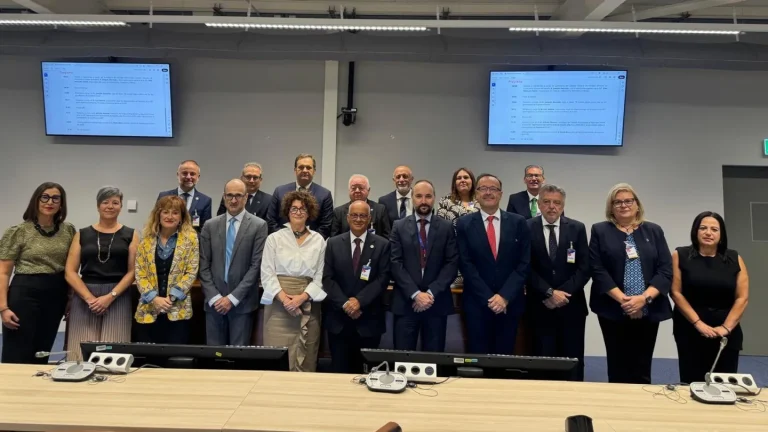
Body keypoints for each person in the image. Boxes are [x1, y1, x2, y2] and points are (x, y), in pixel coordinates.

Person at [589, 183, 672, 384]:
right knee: (617, 365)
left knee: (642, 365)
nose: (623, 205)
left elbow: (665, 269)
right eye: (617, 202)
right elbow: (597, 269)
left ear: (637, 205)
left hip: (648, 307)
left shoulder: (654, 231)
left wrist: (643, 299)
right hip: (612, 308)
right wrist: (625, 301)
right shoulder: (600, 230)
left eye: (628, 201)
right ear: (611, 207)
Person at [0, 182, 76, 364]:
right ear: (36, 200)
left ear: (61, 204)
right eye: (45, 197)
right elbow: (3, 272)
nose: (50, 202)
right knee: (18, 348)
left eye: (55, 198)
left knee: (43, 350)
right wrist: (3, 308)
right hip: (25, 293)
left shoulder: (68, 231)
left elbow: (71, 268)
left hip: (56, 294)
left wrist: (70, 297)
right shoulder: (18, 231)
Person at [671, 212, 749, 384]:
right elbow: (676, 293)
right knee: (692, 383)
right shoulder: (680, 255)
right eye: (703, 228)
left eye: (714, 229)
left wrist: (725, 328)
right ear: (695, 231)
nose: (708, 233)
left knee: (725, 384)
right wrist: (698, 324)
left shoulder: (734, 258)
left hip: (726, 331)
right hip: (690, 328)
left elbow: (742, 298)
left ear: (721, 235)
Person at [456, 174, 530, 354]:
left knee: (505, 356)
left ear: (501, 194)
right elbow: (465, 264)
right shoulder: (464, 224)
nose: (488, 193)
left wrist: (504, 296)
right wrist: (489, 298)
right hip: (477, 303)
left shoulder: (518, 222)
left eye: (493, 189)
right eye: (483, 188)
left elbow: (524, 263)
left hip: (509, 303)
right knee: (477, 357)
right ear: (476, 194)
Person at [64, 186, 138, 361]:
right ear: (98, 206)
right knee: (79, 352)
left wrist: (110, 296)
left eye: (115, 202)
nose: (110, 206)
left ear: (121, 206)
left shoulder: (132, 234)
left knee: (114, 353)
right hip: (84, 295)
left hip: (118, 295)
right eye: (105, 202)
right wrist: (89, 298)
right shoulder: (81, 234)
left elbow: (133, 271)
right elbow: (70, 271)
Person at [526, 184, 589, 381]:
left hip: (572, 306)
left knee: (572, 359)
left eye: (557, 203)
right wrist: (549, 292)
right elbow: (524, 267)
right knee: (541, 358)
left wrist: (562, 293)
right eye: (547, 202)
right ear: (539, 204)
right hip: (540, 305)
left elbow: (585, 267)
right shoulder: (527, 227)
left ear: (563, 205)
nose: (552, 207)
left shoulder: (577, 228)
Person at [261, 191, 327, 371]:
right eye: (294, 208)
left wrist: (301, 298)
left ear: (309, 212)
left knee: (307, 357)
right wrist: (286, 300)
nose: (298, 212)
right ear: (287, 211)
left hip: (307, 305)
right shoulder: (274, 238)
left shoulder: (319, 240)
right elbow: (267, 274)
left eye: (303, 209)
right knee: (277, 359)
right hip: (278, 306)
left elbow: (321, 276)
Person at [323, 200, 391, 373]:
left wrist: (359, 302)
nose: (358, 219)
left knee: (367, 373)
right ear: (347, 217)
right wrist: (346, 304)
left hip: (368, 320)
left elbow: (383, 279)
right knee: (339, 370)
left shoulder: (383, 245)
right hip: (339, 320)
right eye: (354, 215)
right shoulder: (333, 243)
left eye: (363, 215)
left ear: (370, 219)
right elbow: (327, 278)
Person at [390, 180, 458, 352]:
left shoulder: (446, 227)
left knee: (433, 361)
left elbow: (451, 263)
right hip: (406, 303)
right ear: (412, 198)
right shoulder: (399, 226)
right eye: (419, 196)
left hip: (436, 303)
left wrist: (429, 294)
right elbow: (395, 263)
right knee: (402, 360)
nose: (423, 201)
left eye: (428, 196)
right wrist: (415, 294)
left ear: (434, 198)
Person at [200, 179, 268, 346]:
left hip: (242, 304)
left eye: (238, 196)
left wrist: (232, 298)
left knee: (238, 361)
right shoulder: (210, 225)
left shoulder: (259, 226)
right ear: (224, 197)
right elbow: (203, 265)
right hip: (213, 304)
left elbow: (255, 266)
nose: (234, 200)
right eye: (230, 195)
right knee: (214, 357)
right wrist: (215, 297)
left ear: (246, 198)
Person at [134, 195, 199, 344]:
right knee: (148, 359)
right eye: (165, 212)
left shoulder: (191, 238)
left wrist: (171, 298)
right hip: (149, 308)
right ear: (158, 214)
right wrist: (154, 298)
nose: (170, 216)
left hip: (177, 309)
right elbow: (140, 271)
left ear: (181, 217)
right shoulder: (146, 238)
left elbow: (191, 271)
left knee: (175, 360)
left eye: (175, 212)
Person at [266, 153, 333, 238]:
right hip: (282, 244)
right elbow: (271, 221)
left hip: (311, 246)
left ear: (314, 171)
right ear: (295, 170)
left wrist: (308, 241)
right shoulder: (279, 191)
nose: (305, 170)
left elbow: (326, 225)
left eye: (308, 168)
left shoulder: (325, 195)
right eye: (301, 167)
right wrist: (284, 239)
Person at [436, 167, 480, 286]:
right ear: (454, 183)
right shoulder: (446, 201)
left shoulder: (479, 201)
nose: (462, 180)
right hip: (452, 252)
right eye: (459, 178)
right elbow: (439, 226)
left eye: (466, 177)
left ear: (472, 181)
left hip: (475, 254)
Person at [157, 160, 213, 231]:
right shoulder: (164, 196)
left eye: (192, 174)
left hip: (193, 240)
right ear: (178, 175)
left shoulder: (205, 201)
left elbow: (205, 230)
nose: (188, 177)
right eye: (185, 173)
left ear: (198, 177)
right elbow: (156, 222)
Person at [331, 174, 391, 238]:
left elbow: (386, 237)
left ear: (368, 190)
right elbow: (334, 239)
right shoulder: (338, 212)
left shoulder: (380, 210)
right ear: (349, 190)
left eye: (361, 188)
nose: (357, 191)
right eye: (353, 188)